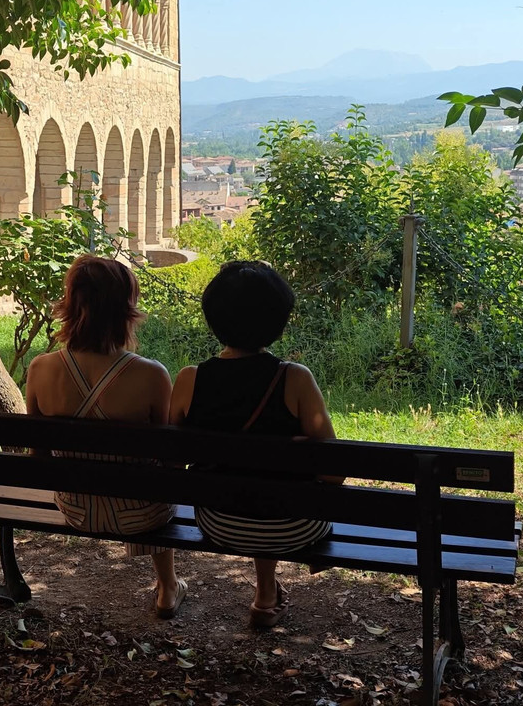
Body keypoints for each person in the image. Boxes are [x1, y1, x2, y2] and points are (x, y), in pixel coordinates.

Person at [169, 260, 343, 628]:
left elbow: (172, 461)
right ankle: (267, 593)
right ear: (277, 321)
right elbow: (333, 473)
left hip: (219, 522)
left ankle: (267, 592)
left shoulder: (190, 379)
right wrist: (293, 449)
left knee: (252, 486)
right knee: (275, 491)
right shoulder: (294, 379)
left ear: (213, 318)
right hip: (295, 526)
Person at [25, 255, 188, 617]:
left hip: (76, 508)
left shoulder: (40, 368)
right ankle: (167, 587)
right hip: (140, 515)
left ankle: (167, 585)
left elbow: (38, 455)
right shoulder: (151, 375)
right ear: (125, 310)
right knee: (155, 484)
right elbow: (167, 459)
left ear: (69, 304)